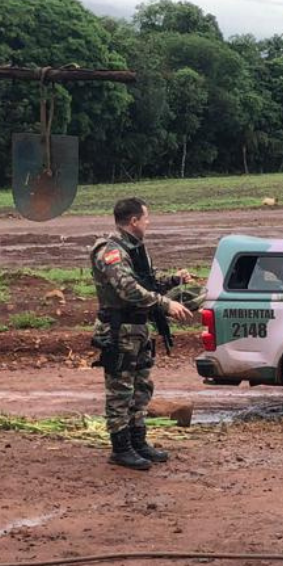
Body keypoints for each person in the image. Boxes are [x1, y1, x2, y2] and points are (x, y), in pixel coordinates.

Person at [90, 198, 197, 470]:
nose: (149, 223)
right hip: (119, 330)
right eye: (146, 218)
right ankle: (121, 448)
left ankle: (138, 442)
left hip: (138, 328)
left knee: (141, 388)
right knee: (120, 391)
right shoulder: (110, 251)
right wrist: (165, 303)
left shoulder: (135, 249)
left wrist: (174, 280)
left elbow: (147, 281)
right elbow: (128, 289)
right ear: (134, 221)